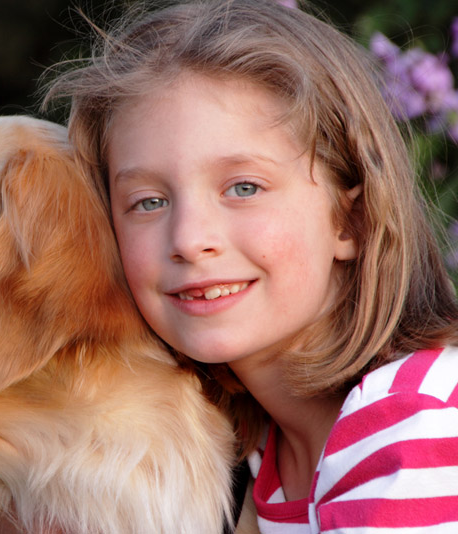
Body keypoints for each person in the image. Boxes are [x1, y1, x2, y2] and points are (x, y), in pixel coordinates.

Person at [37, 0, 458, 532]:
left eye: (243, 188)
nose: (189, 240)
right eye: (148, 201)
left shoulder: (416, 422)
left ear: (350, 221)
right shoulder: (247, 453)